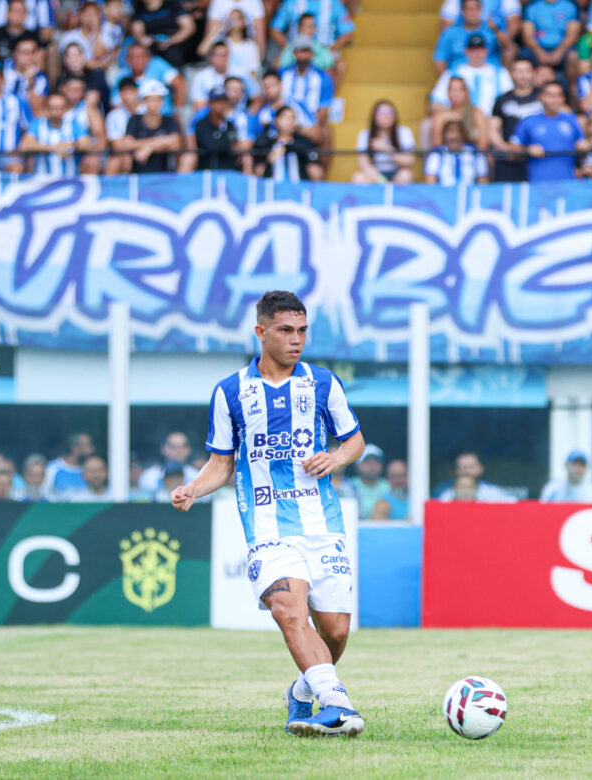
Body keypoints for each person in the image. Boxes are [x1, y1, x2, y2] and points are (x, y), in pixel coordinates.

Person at [171, 290, 367, 737]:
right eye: (285, 330)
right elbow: (221, 463)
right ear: (261, 332)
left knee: (335, 632)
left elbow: (354, 440)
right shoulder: (230, 392)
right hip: (266, 528)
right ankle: (337, 707)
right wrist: (193, 488)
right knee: (288, 610)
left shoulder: (323, 383)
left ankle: (301, 691)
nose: (296, 340)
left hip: (323, 524)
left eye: (302, 331)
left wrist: (337, 457)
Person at [509, 80, 585, 181]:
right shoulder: (528, 121)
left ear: (563, 98)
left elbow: (582, 143)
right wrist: (527, 150)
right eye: (550, 95)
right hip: (538, 183)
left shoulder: (572, 120)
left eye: (559, 95)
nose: (555, 99)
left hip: (568, 182)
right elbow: (512, 150)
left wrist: (584, 146)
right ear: (542, 97)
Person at [106, 79, 182, 175]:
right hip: (138, 171)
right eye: (151, 100)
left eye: (157, 100)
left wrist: (149, 148)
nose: (154, 104)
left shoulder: (169, 121)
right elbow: (127, 143)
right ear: (144, 101)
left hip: (163, 172)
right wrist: (161, 142)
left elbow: (176, 143)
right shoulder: (135, 120)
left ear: (162, 102)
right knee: (117, 160)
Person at [489, 58, 543, 181]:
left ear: (533, 73)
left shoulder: (543, 97)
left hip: (539, 158)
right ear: (512, 73)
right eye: (518, 72)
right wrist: (507, 150)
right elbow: (493, 131)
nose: (523, 76)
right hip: (509, 160)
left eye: (526, 71)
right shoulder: (502, 99)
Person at [20, 91, 95, 177]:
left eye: (59, 108)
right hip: (42, 179)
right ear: (46, 108)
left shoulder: (74, 125)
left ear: (65, 109)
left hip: (69, 179)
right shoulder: (37, 124)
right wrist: (53, 148)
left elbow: (87, 144)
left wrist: (70, 145)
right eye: (52, 107)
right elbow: (25, 145)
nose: (55, 111)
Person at [251, 105, 323, 180]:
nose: (289, 121)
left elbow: (308, 148)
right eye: (285, 118)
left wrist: (285, 147)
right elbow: (258, 147)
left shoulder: (302, 142)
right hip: (273, 183)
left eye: (292, 118)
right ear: (276, 120)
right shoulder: (268, 142)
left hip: (297, 184)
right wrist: (270, 159)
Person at [353, 100, 416, 184]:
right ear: (374, 116)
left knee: (406, 175)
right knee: (358, 177)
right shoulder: (365, 135)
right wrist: (382, 181)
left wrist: (387, 148)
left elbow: (410, 161)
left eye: (390, 112)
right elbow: (364, 165)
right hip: (375, 175)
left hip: (397, 174)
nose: (386, 115)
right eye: (381, 112)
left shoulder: (404, 132)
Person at [435, 0, 504, 73]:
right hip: (459, 76)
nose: (473, 13)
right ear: (463, 12)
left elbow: (508, 48)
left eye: (476, 9)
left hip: (490, 76)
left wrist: (496, 31)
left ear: (482, 10)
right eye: (470, 10)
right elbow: (440, 60)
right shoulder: (450, 33)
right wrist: (449, 78)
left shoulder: (492, 30)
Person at [130, 0, 196, 70]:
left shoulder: (172, 4)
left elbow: (189, 27)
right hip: (153, 53)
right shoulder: (139, 9)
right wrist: (144, 39)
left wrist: (170, 40)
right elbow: (137, 31)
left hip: (177, 52)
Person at [522, 0, 582, 74]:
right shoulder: (532, 5)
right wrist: (539, 53)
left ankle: (573, 82)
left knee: (573, 56)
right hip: (537, 48)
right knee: (523, 58)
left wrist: (559, 52)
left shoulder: (571, 5)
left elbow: (572, 34)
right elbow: (528, 36)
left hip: (563, 48)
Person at [424, 118, 491, 184]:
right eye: (450, 131)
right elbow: (430, 182)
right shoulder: (437, 154)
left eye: (457, 132)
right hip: (443, 190)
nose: (453, 135)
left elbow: (483, 180)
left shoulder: (475, 153)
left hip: (469, 189)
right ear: (444, 136)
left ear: (463, 135)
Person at [436, 451, 514, 501]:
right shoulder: (443, 492)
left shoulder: (493, 493)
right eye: (462, 467)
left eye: (471, 467)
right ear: (456, 470)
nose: (466, 471)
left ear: (480, 469)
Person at [46, 432, 95, 496]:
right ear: (75, 448)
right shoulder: (52, 469)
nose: (93, 450)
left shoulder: (92, 471)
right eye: (88, 446)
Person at [350, 444, 389, 519]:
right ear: (357, 466)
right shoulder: (350, 485)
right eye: (367, 462)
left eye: (376, 462)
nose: (372, 466)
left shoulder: (388, 487)